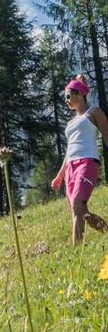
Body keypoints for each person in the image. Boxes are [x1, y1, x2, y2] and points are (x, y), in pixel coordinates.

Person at [51, 74, 108, 245]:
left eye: (68, 96)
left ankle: (75, 249)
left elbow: (106, 134)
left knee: (77, 203)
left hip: (87, 162)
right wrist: (60, 175)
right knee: (80, 210)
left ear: (80, 94)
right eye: (65, 97)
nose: (66, 100)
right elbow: (69, 151)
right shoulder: (70, 123)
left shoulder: (94, 112)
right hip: (71, 168)